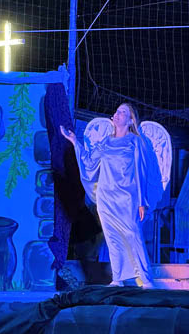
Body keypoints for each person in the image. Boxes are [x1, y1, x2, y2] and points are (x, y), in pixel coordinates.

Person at [60, 103, 155, 289]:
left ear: (130, 121)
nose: (117, 114)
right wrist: (74, 141)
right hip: (106, 197)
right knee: (112, 237)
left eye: (123, 112)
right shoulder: (106, 142)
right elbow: (88, 161)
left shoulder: (135, 142)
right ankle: (117, 278)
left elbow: (141, 172)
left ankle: (146, 279)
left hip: (127, 198)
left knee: (133, 235)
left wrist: (142, 201)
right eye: (117, 111)